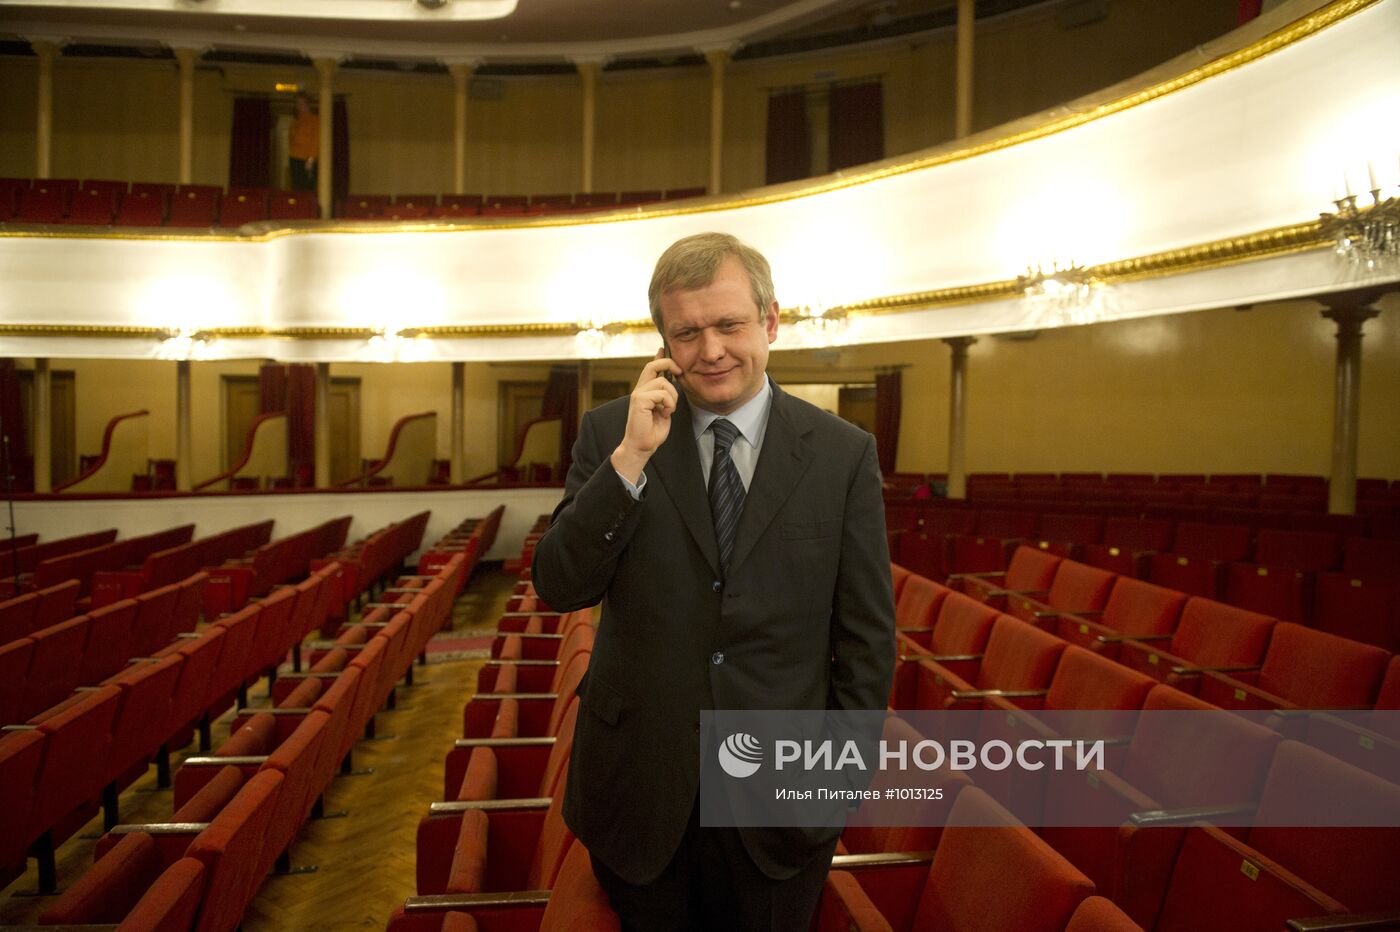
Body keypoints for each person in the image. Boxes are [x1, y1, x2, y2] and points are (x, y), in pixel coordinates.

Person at [531, 232, 896, 931]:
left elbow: (867, 642)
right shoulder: (615, 432)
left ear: (771, 321)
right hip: (639, 792)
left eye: (729, 325)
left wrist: (835, 786)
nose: (711, 351)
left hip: (782, 803)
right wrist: (632, 459)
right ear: (663, 340)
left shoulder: (843, 455)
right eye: (687, 332)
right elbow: (559, 585)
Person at [288, 93, 319, 191]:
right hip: (294, 158)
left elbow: (316, 141)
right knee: (296, 186)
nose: (300, 105)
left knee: (307, 187)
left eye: (302, 102)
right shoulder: (295, 121)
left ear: (308, 104)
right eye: (297, 103)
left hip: (307, 160)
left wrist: (310, 159)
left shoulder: (315, 120)